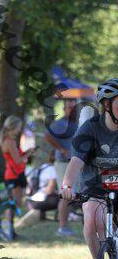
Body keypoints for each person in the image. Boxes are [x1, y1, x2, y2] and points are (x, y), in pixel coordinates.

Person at [61, 78, 118, 259]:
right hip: (95, 185)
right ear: (107, 105)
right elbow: (76, 162)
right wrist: (67, 185)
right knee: (94, 220)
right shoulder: (90, 128)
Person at [45, 97, 78, 237]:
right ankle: (62, 227)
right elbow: (47, 137)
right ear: (64, 109)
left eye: (74, 107)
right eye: (69, 107)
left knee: (75, 195)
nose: (72, 110)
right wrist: (62, 149)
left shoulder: (79, 123)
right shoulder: (60, 123)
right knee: (65, 195)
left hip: (76, 163)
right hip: (63, 163)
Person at [0, 115, 35, 237]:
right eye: (18, 127)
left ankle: (10, 230)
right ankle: (8, 230)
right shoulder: (9, 142)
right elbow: (18, 160)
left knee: (16, 203)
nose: (19, 130)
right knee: (13, 204)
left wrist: (27, 152)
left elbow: (18, 157)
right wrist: (29, 153)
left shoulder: (11, 140)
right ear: (12, 127)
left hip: (16, 174)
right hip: (13, 175)